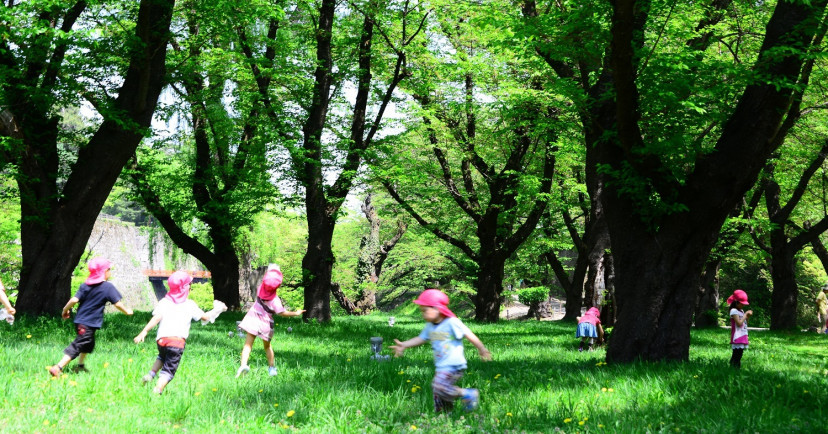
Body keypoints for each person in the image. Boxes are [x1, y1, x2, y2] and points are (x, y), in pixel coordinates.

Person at [390, 289, 492, 413]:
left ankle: (467, 394)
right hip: (442, 366)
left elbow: (468, 333)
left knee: (438, 386)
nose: (422, 314)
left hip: (454, 365)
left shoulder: (451, 322)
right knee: (438, 392)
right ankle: (444, 414)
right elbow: (421, 338)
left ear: (437, 309)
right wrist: (404, 345)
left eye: (424, 310)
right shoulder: (430, 326)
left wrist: (481, 348)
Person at [133, 271, 227, 394]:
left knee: (162, 356)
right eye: (188, 284)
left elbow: (156, 318)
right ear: (184, 288)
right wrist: (217, 310)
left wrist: (144, 331)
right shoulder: (189, 305)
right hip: (176, 343)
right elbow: (205, 317)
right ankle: (158, 389)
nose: (190, 286)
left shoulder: (164, 302)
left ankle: (151, 374)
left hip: (161, 340)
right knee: (169, 370)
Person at [49, 258, 133, 376]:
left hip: (81, 321)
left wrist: (65, 310)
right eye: (109, 269)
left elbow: (74, 299)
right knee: (80, 344)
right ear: (104, 271)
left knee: (88, 344)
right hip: (88, 323)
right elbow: (117, 303)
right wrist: (127, 311)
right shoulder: (107, 287)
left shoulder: (85, 286)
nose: (110, 272)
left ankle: (80, 366)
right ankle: (58, 367)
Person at [236, 265, 304, 377]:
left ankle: (243, 365)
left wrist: (271, 272)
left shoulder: (260, 289)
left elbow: (268, 280)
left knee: (247, 345)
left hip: (253, 319)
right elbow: (282, 313)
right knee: (267, 346)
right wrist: (296, 313)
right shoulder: (275, 301)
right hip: (265, 323)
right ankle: (272, 368)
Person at [727, 289, 752, 369]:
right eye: (742, 303)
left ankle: (735, 368)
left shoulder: (741, 310)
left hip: (742, 334)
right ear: (736, 302)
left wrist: (747, 317)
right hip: (737, 335)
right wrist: (745, 315)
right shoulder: (733, 310)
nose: (743, 305)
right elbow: (738, 323)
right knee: (737, 354)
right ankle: (733, 367)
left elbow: (744, 323)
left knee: (740, 353)